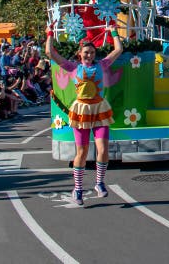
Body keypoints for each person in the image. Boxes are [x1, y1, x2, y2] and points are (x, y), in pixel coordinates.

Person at [46, 25, 123, 206]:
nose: (89, 55)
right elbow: (50, 53)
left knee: (103, 149)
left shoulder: (102, 65)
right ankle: (78, 188)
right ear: (80, 54)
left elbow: (118, 49)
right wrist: (49, 33)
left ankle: (99, 183)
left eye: (91, 52)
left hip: (99, 109)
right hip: (81, 111)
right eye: (86, 52)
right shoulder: (72, 67)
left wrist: (113, 31)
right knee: (82, 152)